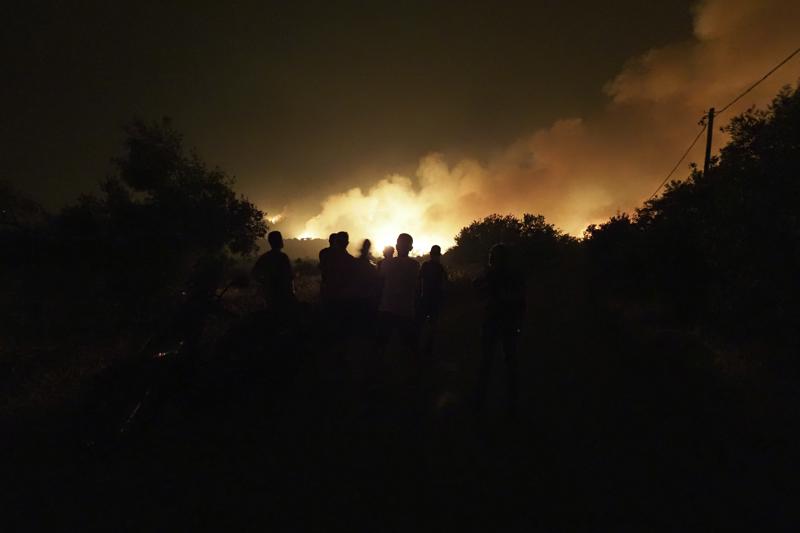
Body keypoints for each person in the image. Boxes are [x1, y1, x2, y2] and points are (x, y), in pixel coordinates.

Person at [473, 243, 525, 417]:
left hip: (492, 321)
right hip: (509, 321)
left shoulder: (490, 274)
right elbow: (520, 300)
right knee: (510, 361)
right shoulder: (514, 275)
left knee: (485, 362)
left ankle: (480, 401)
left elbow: (476, 288)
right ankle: (513, 401)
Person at [375, 233, 421, 383]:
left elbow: (379, 283)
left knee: (382, 344)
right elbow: (416, 288)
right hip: (406, 310)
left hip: (386, 307)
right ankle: (408, 377)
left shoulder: (387, 264)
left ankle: (378, 375)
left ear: (396, 247)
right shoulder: (415, 265)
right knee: (408, 345)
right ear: (411, 248)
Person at [251, 231, 295, 309]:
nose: (282, 241)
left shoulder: (265, 257)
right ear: (278, 241)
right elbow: (289, 277)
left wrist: (265, 283)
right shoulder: (283, 257)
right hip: (283, 295)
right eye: (280, 239)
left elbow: (254, 273)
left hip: (270, 295)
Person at [419, 244, 448, 356]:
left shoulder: (425, 265)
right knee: (432, 324)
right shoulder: (440, 267)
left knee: (422, 324)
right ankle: (428, 348)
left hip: (426, 298)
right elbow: (445, 282)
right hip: (434, 299)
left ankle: (422, 347)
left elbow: (418, 279)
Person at [318, 233, 337, 302]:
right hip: (334, 286)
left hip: (326, 284)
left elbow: (321, 267)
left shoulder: (323, 252)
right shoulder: (339, 255)